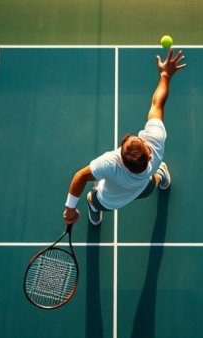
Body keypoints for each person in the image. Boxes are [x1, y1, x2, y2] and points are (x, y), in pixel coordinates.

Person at [63, 49, 186, 225]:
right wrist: (165, 76)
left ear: (121, 159)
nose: (133, 136)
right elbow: (158, 103)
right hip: (143, 188)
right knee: (152, 183)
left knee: (93, 200)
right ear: (149, 155)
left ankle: (94, 206)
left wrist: (70, 209)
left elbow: (80, 176)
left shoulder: (110, 163)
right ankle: (161, 173)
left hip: (110, 201)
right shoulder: (155, 141)